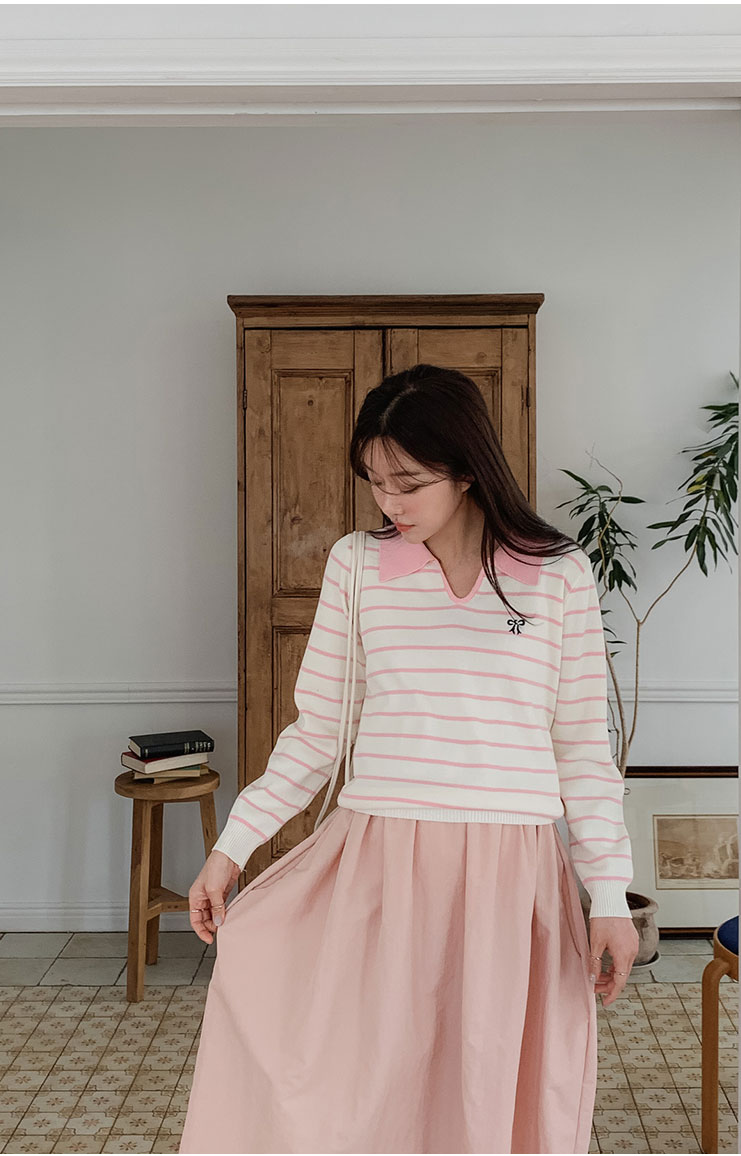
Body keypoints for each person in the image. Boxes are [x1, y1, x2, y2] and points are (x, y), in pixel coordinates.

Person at [178, 364, 638, 1155]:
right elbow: (317, 733)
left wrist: (610, 895)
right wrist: (231, 847)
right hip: (379, 862)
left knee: (485, 1082)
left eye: (409, 483)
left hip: (510, 874)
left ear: (467, 470)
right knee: (369, 1085)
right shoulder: (358, 566)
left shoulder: (556, 574)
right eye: (375, 481)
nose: (389, 502)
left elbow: (583, 752)